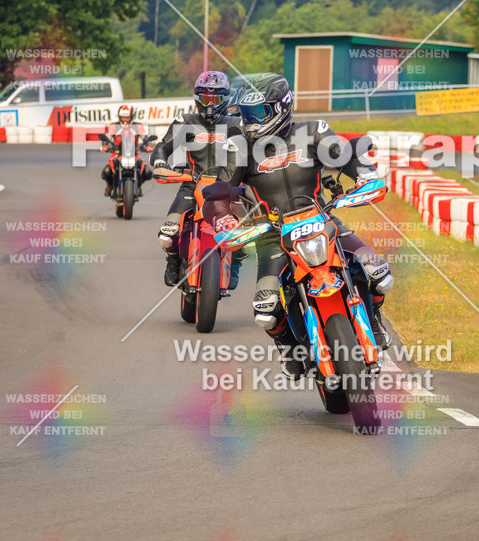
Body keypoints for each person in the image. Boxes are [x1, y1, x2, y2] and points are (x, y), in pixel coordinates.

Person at [202, 73, 393, 376]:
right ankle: (287, 345)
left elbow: (347, 152)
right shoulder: (238, 146)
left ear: (282, 106)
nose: (251, 121)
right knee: (265, 311)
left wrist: (365, 176)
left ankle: (376, 318)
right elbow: (216, 190)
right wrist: (222, 216)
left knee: (378, 272)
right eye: (246, 114)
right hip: (271, 234)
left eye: (259, 112)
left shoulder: (313, 130)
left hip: (323, 219)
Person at [150, 71, 244, 288]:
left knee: (248, 229)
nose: (210, 104)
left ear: (226, 99)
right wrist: (161, 162)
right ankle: (173, 261)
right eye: (205, 98)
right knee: (168, 232)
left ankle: (235, 263)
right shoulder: (185, 121)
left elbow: (258, 152)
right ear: (196, 99)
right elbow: (162, 148)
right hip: (191, 184)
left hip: (228, 188)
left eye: (216, 99)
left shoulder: (238, 123)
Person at [100, 105, 153, 197]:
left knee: (147, 172)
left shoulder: (138, 126)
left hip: (134, 154)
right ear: (119, 117)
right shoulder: (114, 126)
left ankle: (138, 186)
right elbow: (107, 137)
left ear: (132, 116)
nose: (125, 119)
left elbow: (145, 138)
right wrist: (105, 146)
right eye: (123, 117)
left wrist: (148, 146)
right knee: (107, 171)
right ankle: (110, 186)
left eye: (127, 117)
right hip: (117, 154)